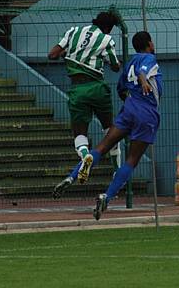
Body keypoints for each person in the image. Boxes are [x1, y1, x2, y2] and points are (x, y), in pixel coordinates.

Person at [86, 31, 162, 220]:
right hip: (145, 113)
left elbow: (121, 89)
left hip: (128, 110)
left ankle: (73, 174)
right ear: (149, 44)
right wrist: (144, 82)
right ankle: (107, 195)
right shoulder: (150, 58)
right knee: (132, 159)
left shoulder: (128, 63)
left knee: (103, 146)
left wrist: (130, 102)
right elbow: (143, 72)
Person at [50, 11, 122, 199]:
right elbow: (115, 65)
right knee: (110, 130)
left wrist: (68, 54)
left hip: (77, 89)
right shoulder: (106, 39)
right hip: (98, 88)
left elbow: (52, 54)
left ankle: (85, 157)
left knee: (80, 133)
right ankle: (117, 171)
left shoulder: (73, 31)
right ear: (109, 28)